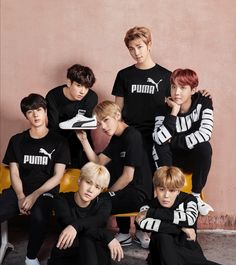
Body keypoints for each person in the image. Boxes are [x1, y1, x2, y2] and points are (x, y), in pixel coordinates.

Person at [27, 161, 123, 265]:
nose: (91, 190)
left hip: (96, 261)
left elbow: (96, 222)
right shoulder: (62, 199)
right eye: (88, 182)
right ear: (79, 180)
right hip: (67, 258)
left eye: (97, 187)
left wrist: (76, 227)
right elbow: (71, 221)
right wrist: (107, 236)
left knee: (86, 238)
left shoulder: (104, 202)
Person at [136, 166, 236, 265]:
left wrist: (154, 214)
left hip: (189, 257)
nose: (166, 196)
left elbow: (190, 219)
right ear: (155, 187)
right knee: (163, 235)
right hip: (162, 260)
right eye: (161, 189)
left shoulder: (189, 200)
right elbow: (143, 224)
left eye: (172, 190)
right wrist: (181, 226)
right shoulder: (147, 204)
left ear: (179, 190)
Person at [0, 93, 70, 265]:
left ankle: (30, 258)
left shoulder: (59, 141)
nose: (36, 115)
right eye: (30, 112)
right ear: (26, 116)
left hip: (45, 191)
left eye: (39, 110)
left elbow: (57, 176)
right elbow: (14, 173)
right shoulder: (17, 140)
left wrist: (34, 195)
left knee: (40, 216)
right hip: (21, 190)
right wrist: (21, 195)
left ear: (46, 112)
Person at [76, 101, 152, 249]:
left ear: (117, 115)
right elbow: (98, 162)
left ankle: (91, 242)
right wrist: (84, 141)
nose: (103, 127)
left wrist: (107, 193)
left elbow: (128, 176)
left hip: (139, 194)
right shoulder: (117, 138)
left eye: (106, 120)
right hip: (127, 191)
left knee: (99, 202)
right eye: (99, 123)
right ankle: (116, 235)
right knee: (96, 198)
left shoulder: (132, 136)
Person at [152, 68, 214, 215]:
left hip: (192, 158)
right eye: (174, 87)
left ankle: (195, 196)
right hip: (170, 160)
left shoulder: (203, 102)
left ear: (193, 90)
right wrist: (174, 111)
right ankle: (171, 195)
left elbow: (205, 133)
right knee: (159, 146)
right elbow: (159, 139)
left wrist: (172, 141)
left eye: (183, 88)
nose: (177, 92)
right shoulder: (163, 108)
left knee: (204, 147)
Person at [112, 26, 172, 172]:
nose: (136, 53)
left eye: (139, 47)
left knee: (157, 173)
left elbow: (177, 103)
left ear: (149, 45)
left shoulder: (166, 76)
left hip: (155, 134)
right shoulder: (124, 75)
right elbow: (117, 111)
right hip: (131, 132)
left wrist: (201, 96)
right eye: (131, 49)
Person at [46, 64, 98, 168]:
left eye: (86, 87)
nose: (83, 91)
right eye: (79, 85)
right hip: (58, 140)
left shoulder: (91, 97)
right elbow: (53, 128)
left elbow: (85, 127)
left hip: (81, 140)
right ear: (69, 82)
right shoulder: (53, 96)